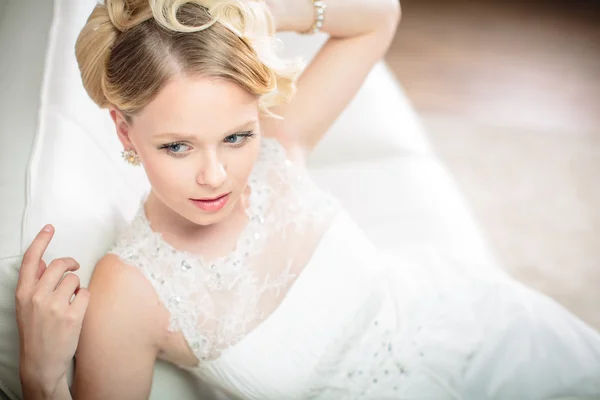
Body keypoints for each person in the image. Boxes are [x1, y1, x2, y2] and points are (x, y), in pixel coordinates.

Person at [15, 0, 600, 399]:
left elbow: (378, 15)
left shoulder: (278, 149)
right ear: (124, 132)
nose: (216, 175)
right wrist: (42, 381)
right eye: (177, 146)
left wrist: (260, 11)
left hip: (482, 330)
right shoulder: (129, 291)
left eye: (237, 135)